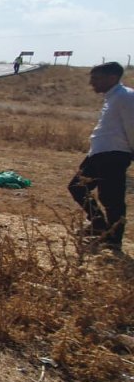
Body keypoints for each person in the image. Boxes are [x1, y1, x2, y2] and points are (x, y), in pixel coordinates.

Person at [67, 62, 134, 252]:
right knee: (77, 187)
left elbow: (132, 125)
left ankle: (114, 240)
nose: (91, 83)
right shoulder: (112, 98)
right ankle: (98, 226)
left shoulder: (126, 97)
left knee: (111, 198)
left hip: (114, 153)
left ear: (112, 78)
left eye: (96, 78)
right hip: (99, 152)